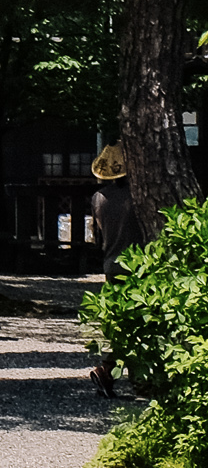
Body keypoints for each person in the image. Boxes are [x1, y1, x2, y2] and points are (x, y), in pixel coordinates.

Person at [89, 144, 140, 397]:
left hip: (111, 261)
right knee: (140, 317)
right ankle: (138, 375)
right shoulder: (137, 197)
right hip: (137, 263)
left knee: (115, 319)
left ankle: (106, 369)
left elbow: (96, 236)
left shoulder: (98, 198)